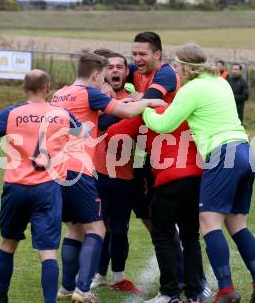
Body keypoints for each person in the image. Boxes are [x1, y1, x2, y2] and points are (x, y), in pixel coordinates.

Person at [142, 44, 255, 303]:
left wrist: (145, 106)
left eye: (178, 66)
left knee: (209, 222)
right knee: (237, 224)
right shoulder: (220, 82)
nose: (176, 70)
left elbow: (163, 124)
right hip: (245, 151)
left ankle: (225, 290)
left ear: (185, 67)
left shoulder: (190, 89)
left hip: (222, 154)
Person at [50, 53, 165, 303]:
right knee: (97, 229)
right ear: (95, 75)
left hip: (55, 170)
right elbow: (125, 110)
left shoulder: (60, 93)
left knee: (74, 229)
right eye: (103, 74)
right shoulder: (89, 93)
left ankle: (66, 288)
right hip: (79, 168)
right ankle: (83, 289)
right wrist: (149, 102)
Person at [0, 70, 88, 303]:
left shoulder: (12, 113)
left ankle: (2, 296)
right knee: (47, 252)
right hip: (48, 188)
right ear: (48, 89)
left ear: (24, 89)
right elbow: (83, 134)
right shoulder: (62, 114)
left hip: (15, 188)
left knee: (8, 242)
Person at [106, 105, 205, 303]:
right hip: (196, 177)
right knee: (191, 237)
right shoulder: (184, 109)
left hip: (168, 180)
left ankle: (170, 293)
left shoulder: (149, 110)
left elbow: (113, 134)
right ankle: (195, 294)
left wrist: (138, 115)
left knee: (162, 236)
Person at [91, 50, 144, 293]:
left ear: (126, 71)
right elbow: (100, 124)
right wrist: (129, 106)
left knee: (120, 229)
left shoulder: (134, 96)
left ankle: (119, 277)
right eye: (109, 67)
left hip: (125, 174)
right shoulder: (97, 97)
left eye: (119, 67)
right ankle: (100, 275)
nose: (114, 70)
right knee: (100, 228)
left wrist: (137, 102)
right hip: (98, 173)